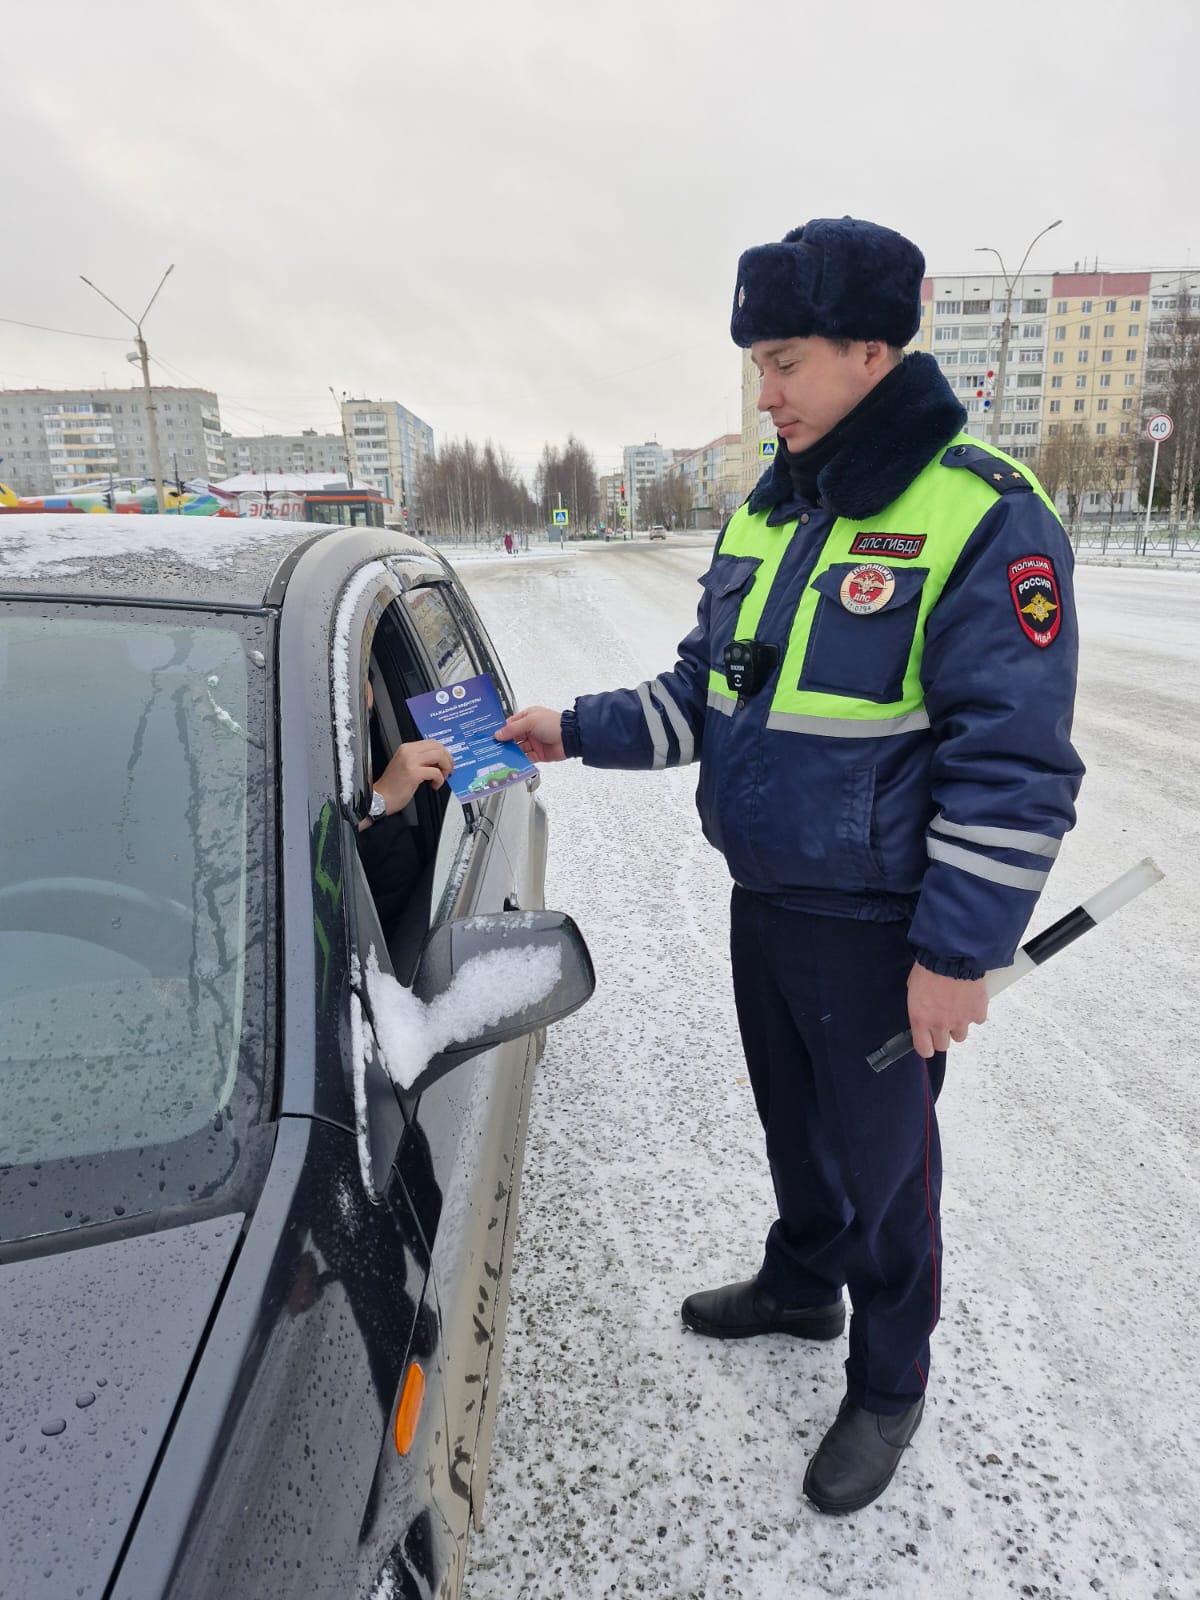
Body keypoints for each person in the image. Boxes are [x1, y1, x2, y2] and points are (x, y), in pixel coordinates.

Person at [496, 216, 1084, 1514]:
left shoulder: (983, 513)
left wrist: (955, 949)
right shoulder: (774, 511)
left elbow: (1017, 762)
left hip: (885, 924)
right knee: (795, 1128)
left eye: (787, 361)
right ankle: (803, 1287)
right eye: (759, 364)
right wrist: (576, 732)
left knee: (887, 1167)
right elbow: (712, 694)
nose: (767, 392)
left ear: (873, 351)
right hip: (768, 899)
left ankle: (887, 1379)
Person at [356, 677, 453, 935]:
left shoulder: (390, 847)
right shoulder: (383, 851)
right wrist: (378, 800)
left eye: (367, 718)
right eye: (350, 725)